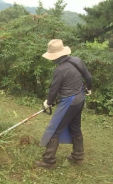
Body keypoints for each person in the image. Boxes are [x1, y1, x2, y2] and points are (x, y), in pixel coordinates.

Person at [34, 39, 92, 169]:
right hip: (80, 99)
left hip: (69, 102)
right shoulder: (77, 61)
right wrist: (89, 89)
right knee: (75, 127)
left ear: (56, 57)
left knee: (54, 128)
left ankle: (48, 161)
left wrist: (47, 103)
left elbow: (54, 89)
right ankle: (78, 156)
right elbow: (88, 77)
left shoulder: (59, 70)